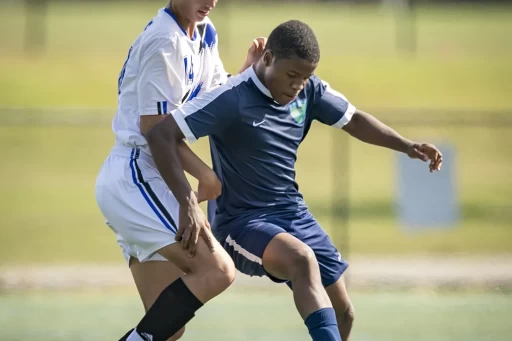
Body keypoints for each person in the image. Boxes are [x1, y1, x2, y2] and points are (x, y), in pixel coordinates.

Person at [144, 20, 443, 341]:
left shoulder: (308, 91)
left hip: (292, 213)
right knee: (301, 259)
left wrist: (407, 146)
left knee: (343, 312)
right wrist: (187, 200)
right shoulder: (232, 97)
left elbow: (354, 120)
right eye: (292, 76)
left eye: (306, 77)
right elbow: (161, 134)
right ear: (268, 58)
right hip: (241, 224)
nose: (298, 85)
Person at [94, 1, 266, 340]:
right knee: (217, 271)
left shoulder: (204, 32)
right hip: (136, 174)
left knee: (168, 329)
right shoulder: (165, 40)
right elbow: (154, 129)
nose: (211, 1)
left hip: (148, 173)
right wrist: (195, 188)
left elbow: (215, 98)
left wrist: (247, 73)